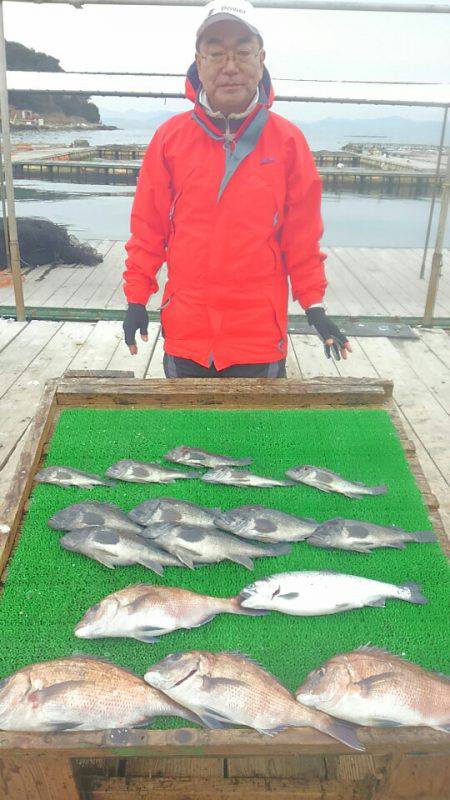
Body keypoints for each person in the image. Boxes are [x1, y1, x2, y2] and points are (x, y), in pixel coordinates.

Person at [123, 0, 352, 377]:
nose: (230, 66)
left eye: (242, 52)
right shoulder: (169, 139)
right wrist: (136, 298)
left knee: (256, 435)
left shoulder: (289, 142)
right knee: (185, 435)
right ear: (199, 63)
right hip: (187, 333)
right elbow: (148, 228)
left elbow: (302, 238)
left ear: (261, 60)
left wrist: (315, 308)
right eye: (216, 53)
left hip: (258, 335)